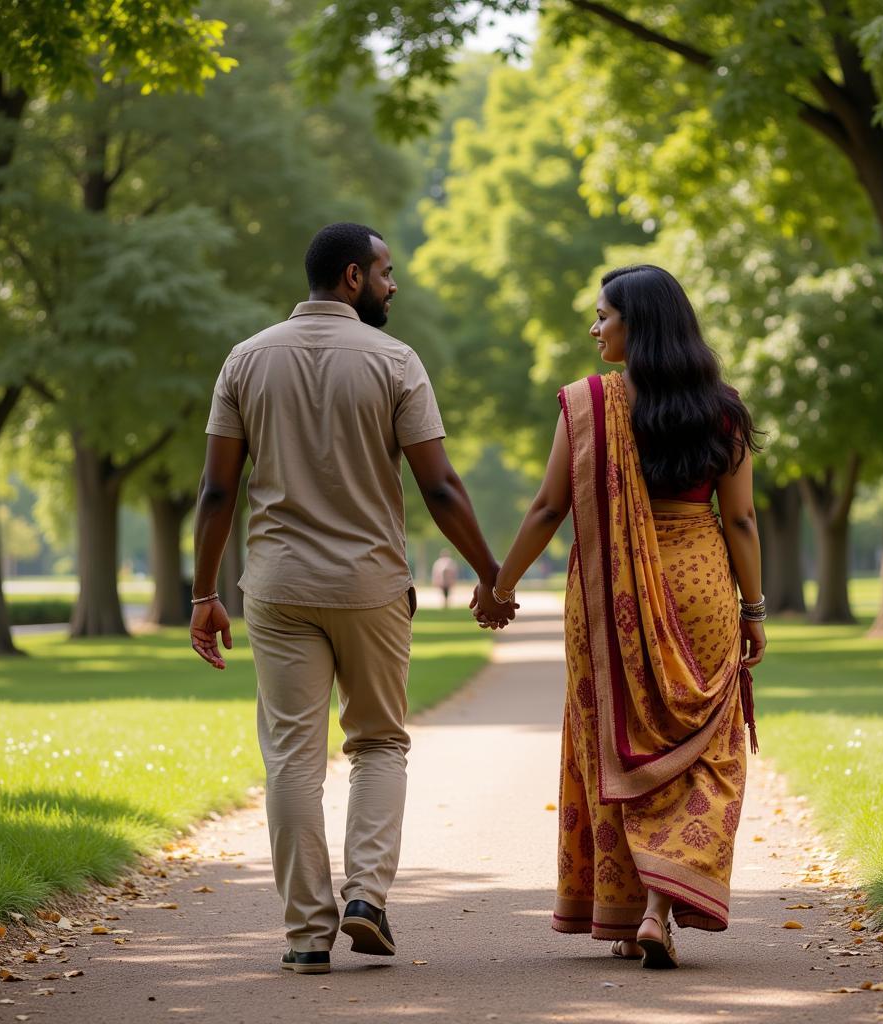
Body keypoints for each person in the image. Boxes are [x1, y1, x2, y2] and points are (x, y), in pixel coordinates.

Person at [189, 222, 515, 976]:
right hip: (369, 585)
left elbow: (216, 490)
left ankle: (307, 932)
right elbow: (439, 485)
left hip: (277, 588)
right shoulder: (395, 361)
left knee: (292, 759)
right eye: (386, 272)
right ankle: (366, 897)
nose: (393, 284)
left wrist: (206, 592)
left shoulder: (245, 359)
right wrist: (491, 576)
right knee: (378, 742)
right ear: (351, 278)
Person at [473, 264, 765, 970]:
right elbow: (742, 519)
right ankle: (663, 906)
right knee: (704, 748)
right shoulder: (721, 409)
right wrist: (752, 607)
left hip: (610, 598)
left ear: (637, 324)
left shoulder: (588, 404)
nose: (595, 327)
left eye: (603, 315)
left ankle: (630, 904)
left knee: (616, 739)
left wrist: (499, 585)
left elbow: (548, 507)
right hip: (699, 581)